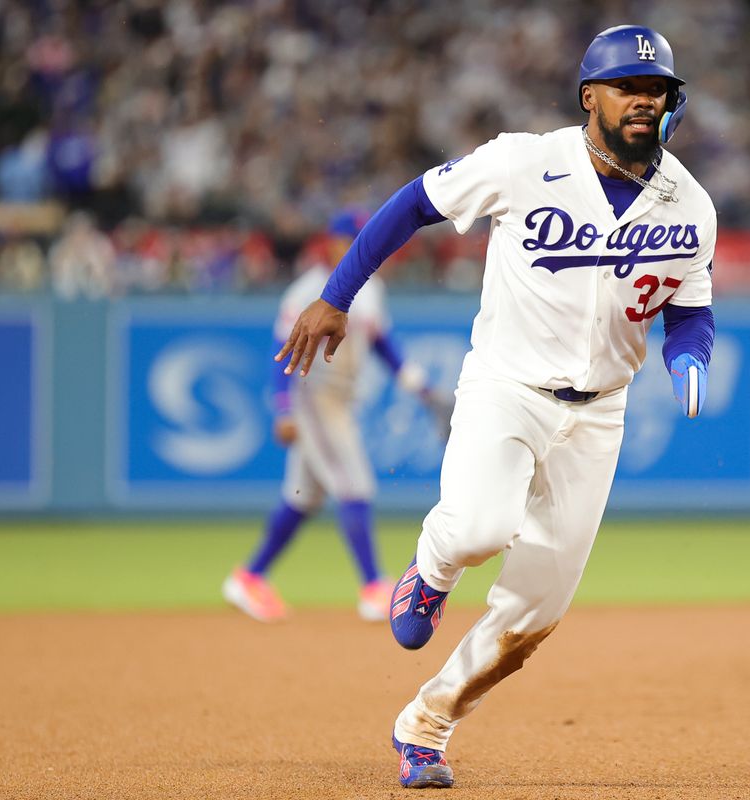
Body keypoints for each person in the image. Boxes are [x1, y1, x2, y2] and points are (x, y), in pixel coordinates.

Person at [276, 25, 716, 789]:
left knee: (533, 617)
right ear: (591, 97)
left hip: (600, 414)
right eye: (629, 88)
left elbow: (691, 306)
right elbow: (415, 204)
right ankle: (433, 566)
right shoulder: (523, 160)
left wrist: (690, 353)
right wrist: (335, 297)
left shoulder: (692, 204)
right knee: (480, 528)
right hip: (507, 387)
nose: (646, 101)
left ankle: (426, 725)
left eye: (658, 91)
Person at [223, 209, 445, 623]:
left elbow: (382, 343)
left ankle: (249, 577)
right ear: (332, 241)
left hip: (341, 398)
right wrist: (283, 408)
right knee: (354, 484)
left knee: (302, 498)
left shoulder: (371, 287)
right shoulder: (306, 290)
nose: (361, 246)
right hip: (313, 395)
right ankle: (373, 586)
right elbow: (282, 351)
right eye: (352, 239)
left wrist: (419, 385)